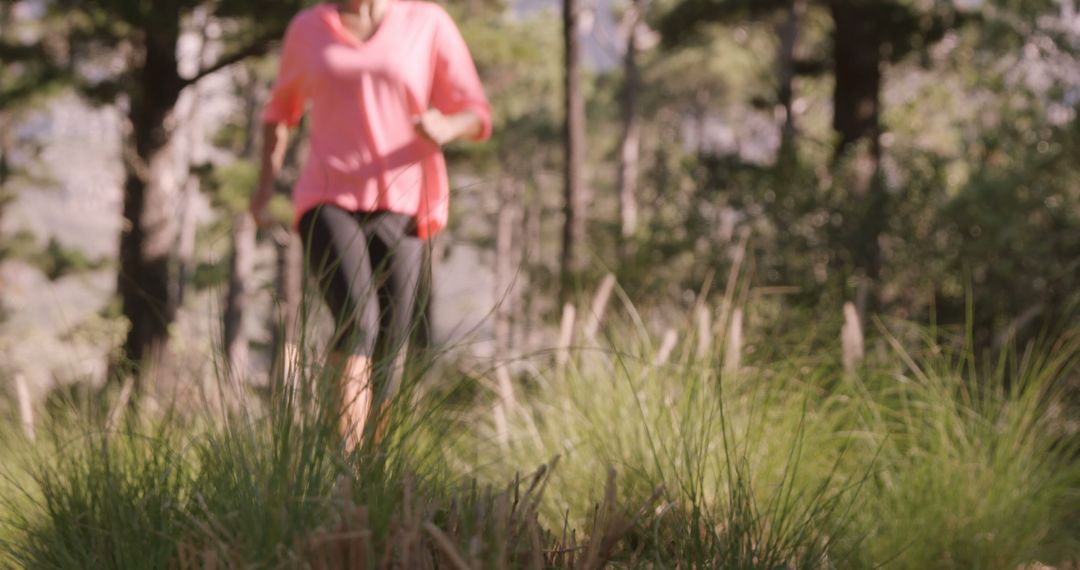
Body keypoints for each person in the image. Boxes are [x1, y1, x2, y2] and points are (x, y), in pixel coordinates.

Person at [250, 0, 492, 449]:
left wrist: (446, 124)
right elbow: (280, 112)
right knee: (358, 319)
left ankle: (374, 467)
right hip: (327, 197)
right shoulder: (309, 28)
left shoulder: (427, 23)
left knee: (393, 339)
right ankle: (345, 461)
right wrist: (265, 187)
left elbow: (477, 114)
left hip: (403, 202)